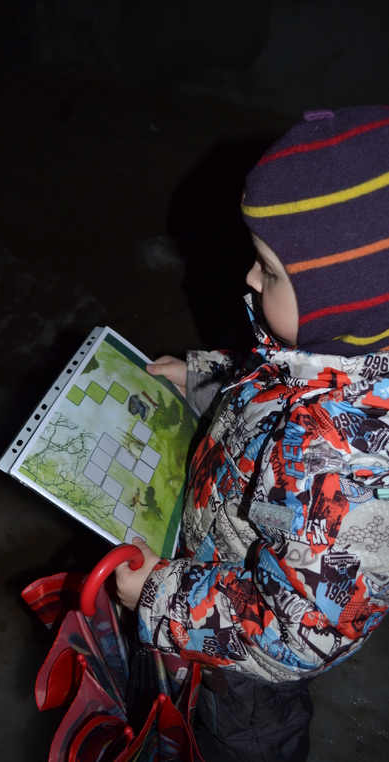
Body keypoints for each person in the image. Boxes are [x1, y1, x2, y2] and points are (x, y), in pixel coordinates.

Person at [115, 106, 389, 761]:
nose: (248, 277)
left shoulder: (350, 465)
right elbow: (272, 387)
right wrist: (203, 377)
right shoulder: (331, 355)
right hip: (211, 578)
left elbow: (301, 631)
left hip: (244, 680)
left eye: (268, 269)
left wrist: (158, 596)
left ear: (341, 298)